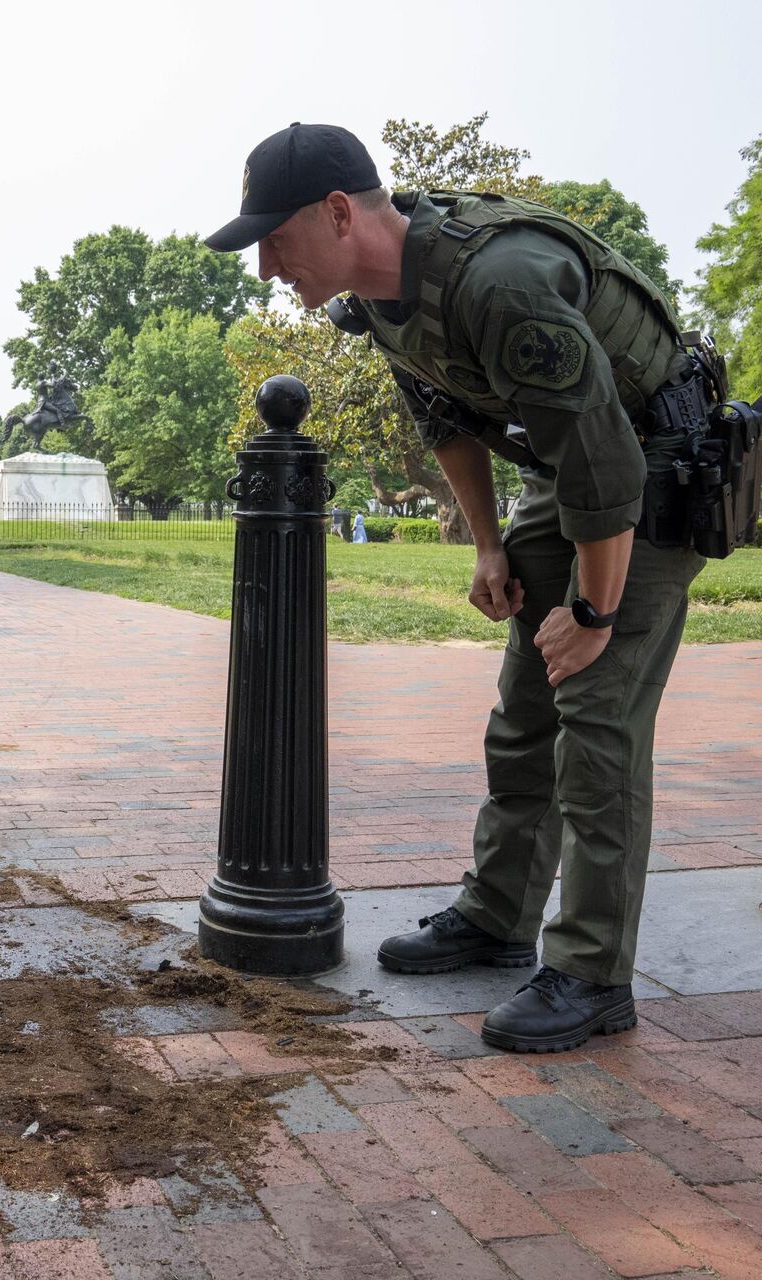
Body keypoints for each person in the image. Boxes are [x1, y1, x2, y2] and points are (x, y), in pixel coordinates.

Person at [206, 123, 710, 1053]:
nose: (267, 267)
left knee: (595, 724)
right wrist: (488, 545)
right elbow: (442, 411)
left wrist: (594, 611)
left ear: (338, 212)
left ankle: (594, 975)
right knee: (524, 716)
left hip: (656, 477)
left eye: (274, 239)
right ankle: (499, 915)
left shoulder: (503, 283)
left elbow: (606, 463)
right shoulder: (375, 300)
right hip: (566, 472)